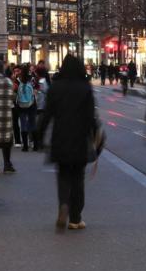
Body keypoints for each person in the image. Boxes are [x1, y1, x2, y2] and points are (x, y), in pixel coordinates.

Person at [36, 54, 99, 231]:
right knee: (78, 178)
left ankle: (63, 204)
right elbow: (90, 117)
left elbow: (47, 114)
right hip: (80, 138)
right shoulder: (85, 87)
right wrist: (95, 136)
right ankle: (75, 218)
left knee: (63, 175)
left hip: (60, 137)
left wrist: (40, 136)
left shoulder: (56, 87)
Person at [15, 69, 39, 152]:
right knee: (33, 124)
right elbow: (37, 88)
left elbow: (15, 93)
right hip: (31, 104)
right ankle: (35, 146)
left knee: (23, 124)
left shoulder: (18, 81)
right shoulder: (32, 80)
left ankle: (25, 146)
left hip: (21, 106)